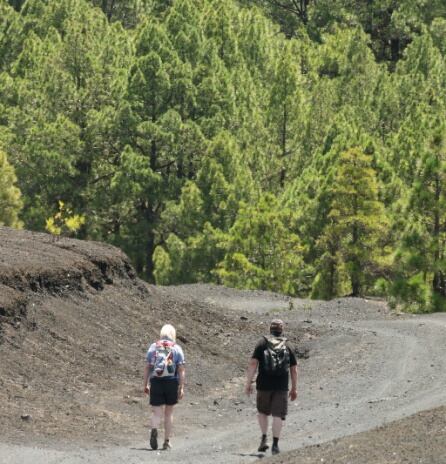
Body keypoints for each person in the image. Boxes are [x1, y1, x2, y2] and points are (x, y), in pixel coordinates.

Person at [245, 319, 298, 455]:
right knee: (278, 415)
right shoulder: (288, 344)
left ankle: (264, 438)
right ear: (282, 329)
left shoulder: (262, 342)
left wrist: (248, 383)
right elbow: (294, 369)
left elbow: (253, 363)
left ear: (270, 329)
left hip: (263, 385)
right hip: (281, 386)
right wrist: (294, 388)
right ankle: (275, 445)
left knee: (262, 412)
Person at [143, 324, 185, 450]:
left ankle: (154, 429)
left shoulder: (153, 347)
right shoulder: (177, 348)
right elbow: (181, 370)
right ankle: (166, 441)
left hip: (156, 381)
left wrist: (145, 384)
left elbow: (147, 367)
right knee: (168, 413)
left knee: (156, 412)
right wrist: (181, 387)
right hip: (171, 382)